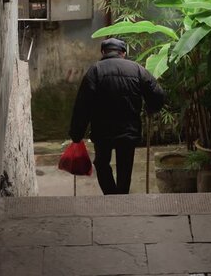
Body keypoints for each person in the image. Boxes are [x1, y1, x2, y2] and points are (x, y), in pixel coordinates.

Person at [69, 38, 165, 194]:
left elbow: (82, 105)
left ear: (103, 52)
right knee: (125, 167)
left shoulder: (95, 71)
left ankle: (110, 196)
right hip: (129, 129)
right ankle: (121, 199)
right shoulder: (137, 69)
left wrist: (76, 134)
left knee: (101, 164)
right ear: (124, 53)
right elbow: (158, 95)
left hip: (102, 131)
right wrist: (151, 107)